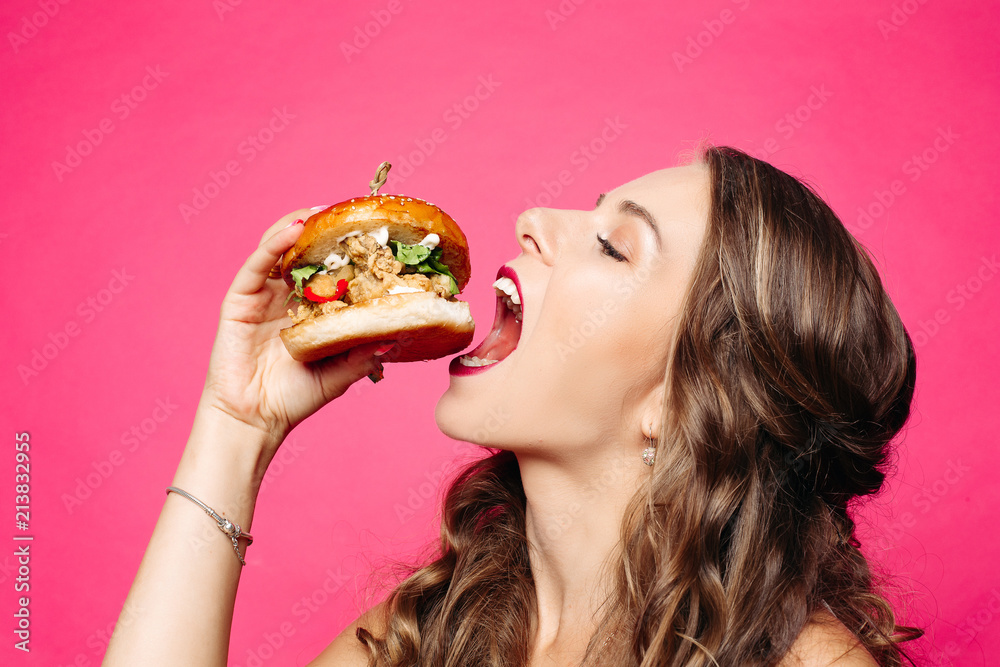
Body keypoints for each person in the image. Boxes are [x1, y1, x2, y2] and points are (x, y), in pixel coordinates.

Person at [103, 145, 923, 666]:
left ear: (683, 400)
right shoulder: (439, 628)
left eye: (612, 244)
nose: (534, 219)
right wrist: (236, 426)